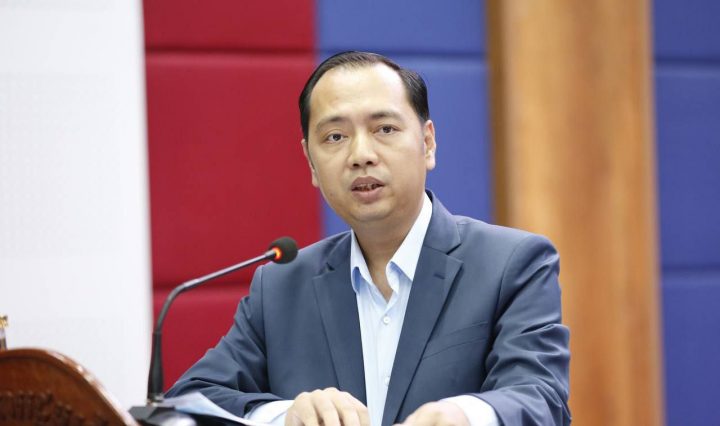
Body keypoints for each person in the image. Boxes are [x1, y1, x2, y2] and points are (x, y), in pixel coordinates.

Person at [166, 51, 570, 426]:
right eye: (335, 137)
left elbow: (542, 398)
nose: (361, 154)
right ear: (311, 163)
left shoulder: (511, 263)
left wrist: (465, 414)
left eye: (385, 129)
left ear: (427, 143)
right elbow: (186, 402)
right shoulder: (281, 285)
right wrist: (285, 415)